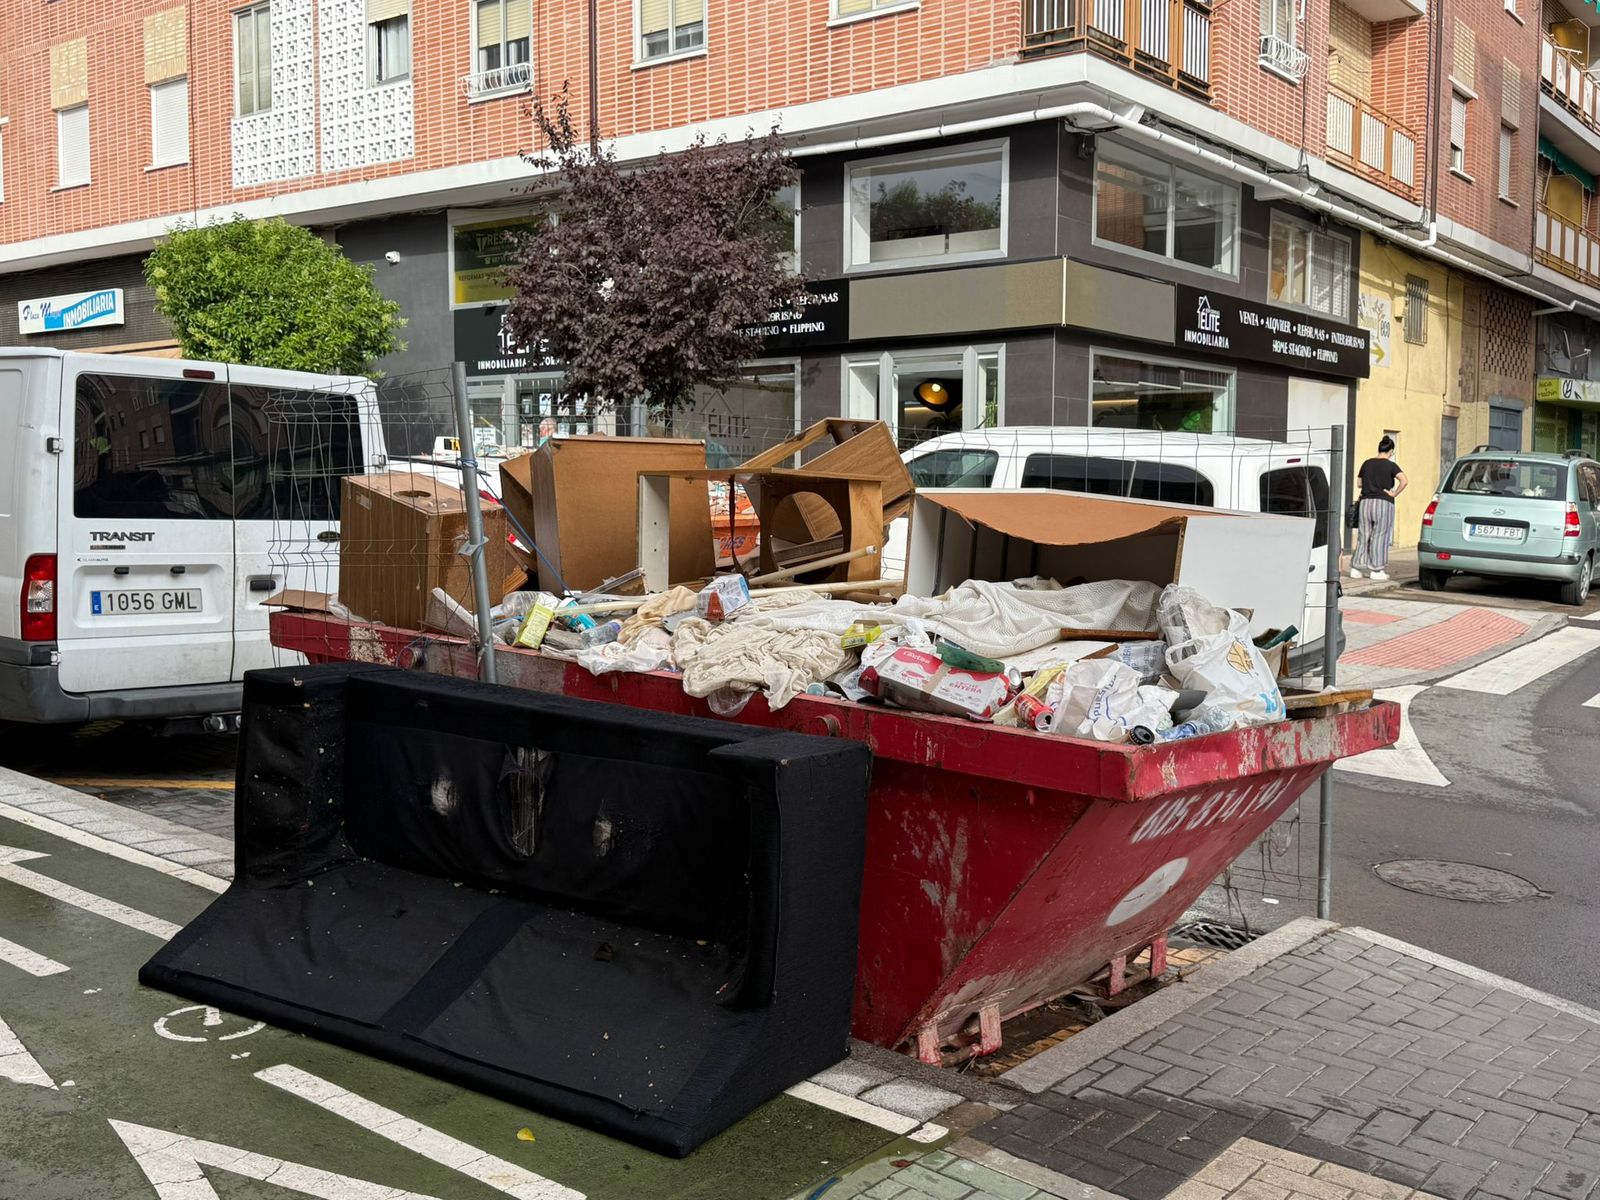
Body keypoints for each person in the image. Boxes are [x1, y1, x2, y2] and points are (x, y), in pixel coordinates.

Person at [1350, 436, 1407, 581]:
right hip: (1383, 502)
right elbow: (1404, 481)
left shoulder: (1367, 463)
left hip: (1366, 502)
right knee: (1380, 535)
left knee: (1364, 535)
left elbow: (1359, 483)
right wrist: (1394, 492)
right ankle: (1376, 570)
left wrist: (1371, 483)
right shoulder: (1391, 465)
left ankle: (1356, 567)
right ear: (1391, 451)